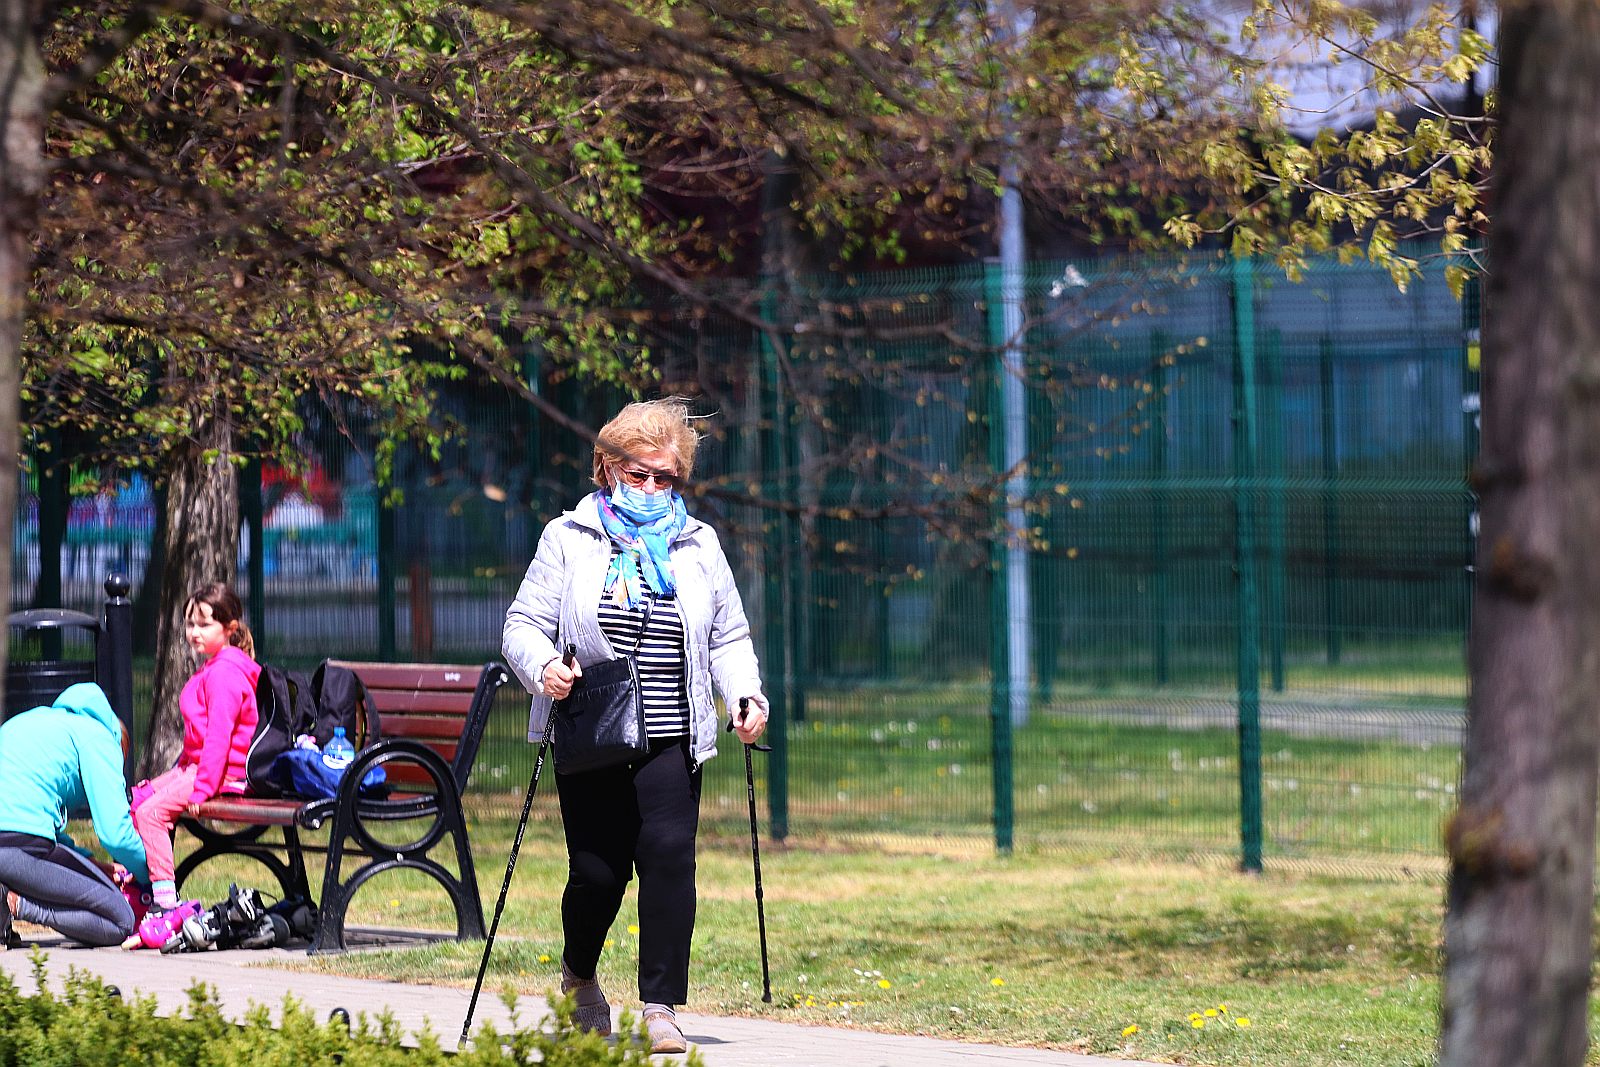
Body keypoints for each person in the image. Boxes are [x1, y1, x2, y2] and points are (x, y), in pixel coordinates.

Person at [503, 398, 768, 1055]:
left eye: (665, 477)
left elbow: (727, 634)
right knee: (598, 872)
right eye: (639, 474)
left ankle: (661, 1005)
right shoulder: (569, 537)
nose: (652, 487)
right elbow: (522, 625)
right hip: (592, 727)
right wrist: (545, 668)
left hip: (673, 731)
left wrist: (745, 694)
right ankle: (580, 975)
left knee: (670, 857)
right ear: (608, 468)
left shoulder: (697, 545)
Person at [123, 581, 261, 949]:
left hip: (221, 774)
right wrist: (172, 776)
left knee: (152, 814)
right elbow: (199, 740)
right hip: (197, 768)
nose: (193, 632)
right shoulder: (213, 667)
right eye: (189, 624)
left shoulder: (226, 673)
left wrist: (202, 791)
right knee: (141, 800)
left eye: (204, 624)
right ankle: (140, 887)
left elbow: (218, 740)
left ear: (229, 628)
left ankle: (167, 905)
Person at [0, 682, 151, 948]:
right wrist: (154, 876)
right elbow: (116, 835)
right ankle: (15, 904)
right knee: (120, 921)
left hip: (17, 840)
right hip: (20, 846)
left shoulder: (40, 720)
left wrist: (94, 864)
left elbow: (41, 824)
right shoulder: (100, 737)